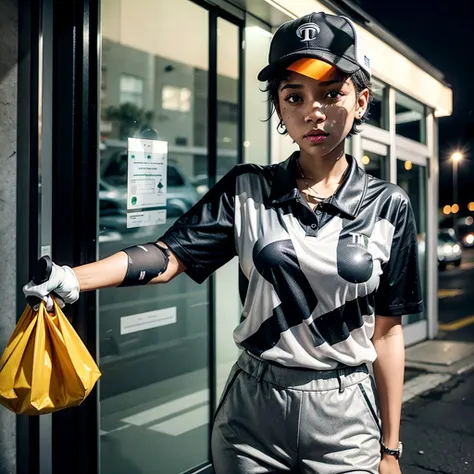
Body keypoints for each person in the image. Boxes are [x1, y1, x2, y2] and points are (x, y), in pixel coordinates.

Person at [23, 11, 423, 474]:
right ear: (280, 111)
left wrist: (390, 450)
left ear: (360, 101)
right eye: (294, 97)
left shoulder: (388, 204)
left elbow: (388, 334)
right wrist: (72, 277)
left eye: (332, 93)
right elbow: (169, 255)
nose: (313, 111)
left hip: (346, 415)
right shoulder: (246, 189)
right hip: (253, 413)